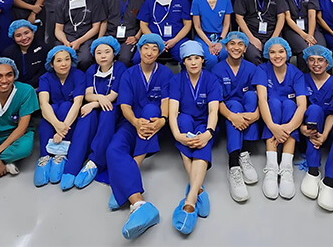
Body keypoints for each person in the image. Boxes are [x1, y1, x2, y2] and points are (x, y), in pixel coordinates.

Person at [107, 34, 173, 239]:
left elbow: (166, 101)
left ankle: (126, 179)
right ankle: (138, 202)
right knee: (113, 149)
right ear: (139, 49)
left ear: (159, 52)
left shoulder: (166, 73)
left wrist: (163, 120)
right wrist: (135, 122)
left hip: (154, 124)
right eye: (146, 47)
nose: (149, 52)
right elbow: (125, 106)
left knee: (151, 109)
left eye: (154, 49)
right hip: (131, 122)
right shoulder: (129, 74)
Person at [168, 41, 221, 234]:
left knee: (201, 139)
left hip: (205, 122)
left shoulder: (211, 80)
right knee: (183, 120)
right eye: (189, 59)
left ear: (203, 60)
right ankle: (198, 189)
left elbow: (213, 111)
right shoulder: (176, 80)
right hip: (185, 123)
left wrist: (208, 133)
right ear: (183, 62)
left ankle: (190, 198)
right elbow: (172, 112)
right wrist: (177, 135)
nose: (193, 62)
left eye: (197, 58)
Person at [33, 45, 95, 189]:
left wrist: (62, 130)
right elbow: (43, 104)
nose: (64, 64)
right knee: (50, 112)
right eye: (59, 60)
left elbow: (77, 103)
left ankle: (60, 154)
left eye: (67, 59)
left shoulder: (78, 75)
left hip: (71, 118)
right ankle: (45, 157)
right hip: (55, 119)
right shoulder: (45, 78)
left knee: (66, 105)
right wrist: (57, 125)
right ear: (51, 63)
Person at [298, 45, 333, 212]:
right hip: (307, 133)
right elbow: (297, 108)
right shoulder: (301, 79)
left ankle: (329, 182)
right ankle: (313, 170)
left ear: (328, 62)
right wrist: (301, 127)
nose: (316, 64)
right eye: (311, 60)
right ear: (306, 62)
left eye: (320, 60)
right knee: (314, 109)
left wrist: (325, 135)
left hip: (328, 131)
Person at [255, 37, 309, 200]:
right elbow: (262, 100)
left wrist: (288, 128)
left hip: (289, 121)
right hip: (271, 117)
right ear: (267, 54)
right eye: (272, 52)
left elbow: (302, 105)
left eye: (281, 51)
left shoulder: (296, 74)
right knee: (273, 103)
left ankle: (286, 167)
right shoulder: (262, 69)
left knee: (290, 105)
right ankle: (271, 166)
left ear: (287, 53)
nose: (277, 56)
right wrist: (273, 126)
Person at [71, 36, 127, 189]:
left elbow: (113, 96)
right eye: (99, 53)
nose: (103, 56)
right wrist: (97, 100)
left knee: (107, 113)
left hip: (113, 107)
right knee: (86, 116)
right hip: (95, 106)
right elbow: (88, 94)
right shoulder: (91, 70)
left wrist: (95, 102)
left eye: (107, 52)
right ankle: (73, 164)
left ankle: (95, 161)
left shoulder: (120, 68)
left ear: (114, 53)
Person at [211, 32, 260, 202]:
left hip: (248, 113)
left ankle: (244, 152)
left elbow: (261, 96)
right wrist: (232, 117)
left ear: (245, 48)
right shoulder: (217, 70)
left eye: (240, 44)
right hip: (227, 114)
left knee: (252, 96)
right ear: (226, 46)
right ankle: (233, 164)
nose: (236, 48)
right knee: (234, 104)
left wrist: (256, 114)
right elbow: (216, 100)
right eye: (232, 43)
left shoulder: (252, 69)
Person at [233, 0, 288, 64]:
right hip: (251, 33)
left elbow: (281, 16)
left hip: (272, 33)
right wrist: (251, 38)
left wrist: (274, 38)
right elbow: (239, 17)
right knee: (253, 55)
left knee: (275, 54)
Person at [55, 0, 107, 71]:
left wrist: (79, 42)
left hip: (86, 38)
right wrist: (65, 42)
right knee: (60, 58)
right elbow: (58, 29)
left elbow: (96, 27)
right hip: (67, 37)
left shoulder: (95, 2)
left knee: (85, 59)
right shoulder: (62, 3)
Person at [136, 0, 192, 64]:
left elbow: (187, 24)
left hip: (177, 39)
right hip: (153, 40)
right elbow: (143, 24)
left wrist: (174, 40)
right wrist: (156, 40)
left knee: (188, 57)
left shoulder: (182, 1)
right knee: (137, 59)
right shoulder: (149, 2)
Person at [281, 0, 325, 70]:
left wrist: (310, 35)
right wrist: (304, 36)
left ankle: (319, 76)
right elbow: (287, 18)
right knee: (304, 49)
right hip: (292, 29)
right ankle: (304, 76)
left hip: (310, 27)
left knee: (320, 49)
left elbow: (312, 15)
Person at [101, 0, 144, 67]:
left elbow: (143, 24)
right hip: (110, 37)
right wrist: (100, 39)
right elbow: (104, 21)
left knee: (124, 58)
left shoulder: (140, 1)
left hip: (129, 38)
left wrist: (136, 37)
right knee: (104, 57)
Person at [190, 0, 232, 69]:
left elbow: (226, 24)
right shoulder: (197, 1)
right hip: (203, 37)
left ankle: (223, 77)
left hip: (221, 37)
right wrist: (209, 44)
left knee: (225, 54)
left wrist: (221, 41)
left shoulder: (226, 0)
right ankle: (209, 78)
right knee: (211, 59)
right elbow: (197, 26)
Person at [2, 19, 50, 89]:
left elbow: (45, 72)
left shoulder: (44, 49)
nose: (24, 38)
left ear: (33, 32)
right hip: (16, 88)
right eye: (18, 35)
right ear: (13, 37)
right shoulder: (8, 53)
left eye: (26, 33)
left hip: (40, 87)